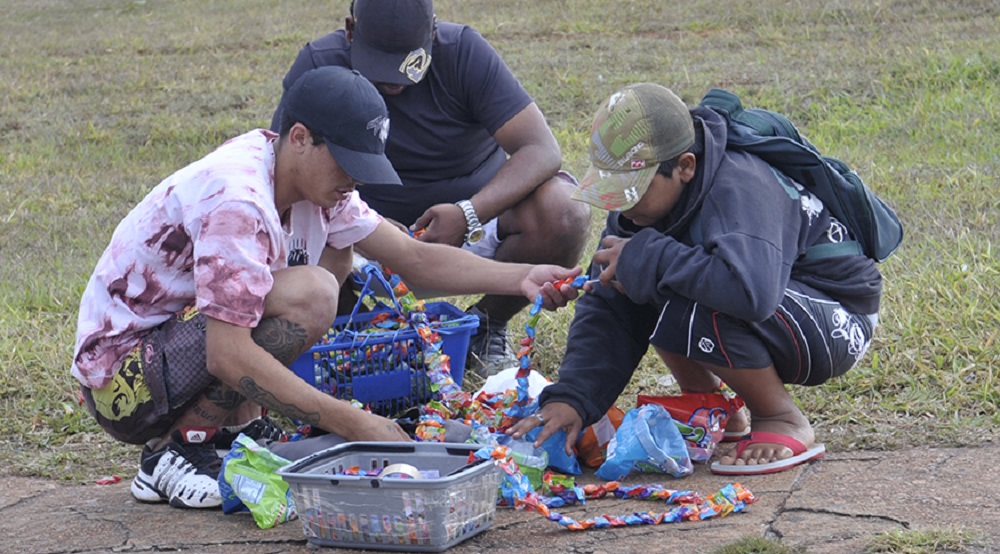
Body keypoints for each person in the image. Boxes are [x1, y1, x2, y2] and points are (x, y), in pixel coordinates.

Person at [71, 66, 581, 510]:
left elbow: (414, 259)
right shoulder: (238, 200)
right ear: (299, 138)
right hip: (125, 384)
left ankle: (235, 430)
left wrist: (520, 275)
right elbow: (227, 353)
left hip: (171, 352)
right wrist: (354, 423)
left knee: (326, 266)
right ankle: (173, 451)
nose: (354, 181)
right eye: (347, 163)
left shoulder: (311, 184)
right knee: (312, 292)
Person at [509, 83, 882, 475]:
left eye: (633, 190)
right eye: (614, 190)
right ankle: (715, 408)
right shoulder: (639, 209)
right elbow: (608, 304)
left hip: (834, 317)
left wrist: (648, 258)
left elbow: (751, 292)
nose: (623, 204)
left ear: (685, 166)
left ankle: (780, 416)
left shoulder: (741, 184)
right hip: (778, 306)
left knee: (668, 278)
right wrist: (573, 399)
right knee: (643, 276)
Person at [270, 0, 592, 377]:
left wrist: (469, 212)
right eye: (378, 63)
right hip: (359, 235)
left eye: (407, 62)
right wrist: (362, 225)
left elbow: (542, 149)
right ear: (350, 30)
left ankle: (485, 327)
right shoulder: (319, 66)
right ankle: (354, 339)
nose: (393, 81)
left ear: (433, 32)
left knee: (565, 210)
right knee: (318, 238)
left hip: (468, 224)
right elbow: (286, 173)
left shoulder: (463, 52)